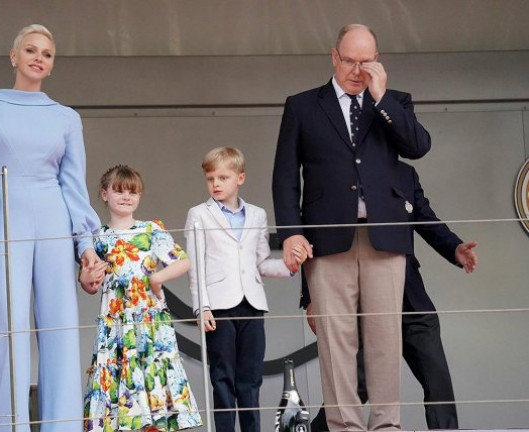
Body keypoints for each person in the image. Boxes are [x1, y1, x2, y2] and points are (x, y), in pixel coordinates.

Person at [272, 24, 432, 430]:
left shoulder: (395, 103)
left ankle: (386, 426)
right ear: (334, 57)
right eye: (349, 61)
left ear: (377, 61)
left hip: (385, 240)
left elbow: (418, 147)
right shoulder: (303, 106)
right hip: (327, 242)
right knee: (335, 341)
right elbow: (286, 176)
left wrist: (381, 100)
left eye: (366, 62)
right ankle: (344, 427)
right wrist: (291, 232)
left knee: (384, 339)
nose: (357, 70)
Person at [0, 24, 102, 432]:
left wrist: (85, 244)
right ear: (13, 56)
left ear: (52, 66)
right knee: (12, 327)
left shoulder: (67, 118)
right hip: (5, 219)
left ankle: (64, 426)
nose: (39, 58)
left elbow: (73, 183)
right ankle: (10, 426)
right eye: (31, 50)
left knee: (60, 328)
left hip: (54, 215)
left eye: (47, 54)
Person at [301, 161, 478, 431]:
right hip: (362, 303)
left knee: (438, 380)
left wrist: (454, 247)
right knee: (355, 386)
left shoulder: (405, 173)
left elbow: (426, 219)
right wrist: (309, 297)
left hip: (412, 299)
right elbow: (315, 234)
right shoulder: (341, 171)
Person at [184, 147, 307, 432]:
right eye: (210, 178)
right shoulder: (198, 215)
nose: (215, 184)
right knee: (222, 377)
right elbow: (196, 266)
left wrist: (289, 266)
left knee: (250, 378)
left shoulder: (257, 215)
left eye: (223, 177)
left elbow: (261, 263)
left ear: (240, 178)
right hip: (218, 306)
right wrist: (201, 307)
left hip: (252, 304)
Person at [80, 165, 202, 432]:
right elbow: (88, 284)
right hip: (116, 325)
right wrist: (90, 277)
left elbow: (183, 262)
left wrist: (157, 278)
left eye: (132, 192)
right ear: (104, 194)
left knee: (152, 391)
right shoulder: (98, 237)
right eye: (119, 190)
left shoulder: (151, 229)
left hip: (150, 321)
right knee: (117, 394)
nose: (126, 196)